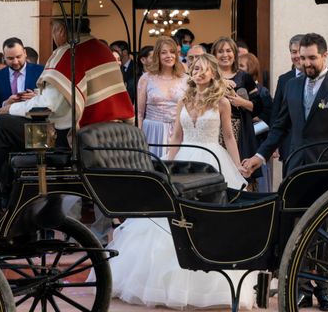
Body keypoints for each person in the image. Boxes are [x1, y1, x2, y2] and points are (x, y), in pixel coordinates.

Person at [103, 54, 255, 308]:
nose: (199, 72)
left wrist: (238, 167)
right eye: (195, 68)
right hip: (184, 158)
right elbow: (176, 135)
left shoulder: (221, 102)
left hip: (211, 160)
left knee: (208, 219)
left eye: (204, 69)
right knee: (170, 216)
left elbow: (228, 136)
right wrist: (167, 164)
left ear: (213, 74)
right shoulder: (184, 99)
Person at [0, 18, 135, 220]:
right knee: (5, 126)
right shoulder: (100, 49)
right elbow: (62, 99)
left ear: (61, 29)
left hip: (70, 138)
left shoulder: (70, 52)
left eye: (53, 29)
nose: (54, 35)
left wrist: (10, 108)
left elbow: (49, 105)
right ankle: (4, 198)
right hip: (100, 134)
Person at [242, 33, 328, 311]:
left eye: (311, 58)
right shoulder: (292, 86)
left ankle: (326, 289)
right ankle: (302, 288)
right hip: (295, 171)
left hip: (327, 173)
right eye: (302, 57)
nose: (306, 62)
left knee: (326, 234)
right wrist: (260, 156)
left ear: (325, 56)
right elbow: (280, 126)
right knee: (296, 230)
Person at [212, 37, 262, 187]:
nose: (225, 55)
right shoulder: (209, 76)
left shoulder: (244, 77)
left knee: (240, 171)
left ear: (234, 54)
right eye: (220, 51)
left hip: (240, 131)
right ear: (214, 55)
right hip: (213, 130)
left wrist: (241, 102)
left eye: (228, 51)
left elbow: (259, 107)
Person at [137, 37, 188, 158]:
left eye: (172, 52)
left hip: (178, 130)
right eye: (164, 52)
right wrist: (139, 137)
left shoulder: (186, 79)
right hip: (152, 129)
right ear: (157, 56)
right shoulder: (146, 78)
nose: (169, 56)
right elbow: (139, 113)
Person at [239, 52, 273, 191]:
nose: (238, 69)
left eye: (241, 66)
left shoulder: (261, 91)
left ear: (250, 68)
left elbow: (268, 119)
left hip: (258, 142)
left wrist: (250, 122)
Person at [270, 34, 304, 167]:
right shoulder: (284, 79)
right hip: (288, 143)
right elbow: (276, 113)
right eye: (293, 52)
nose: (296, 56)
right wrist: (274, 143)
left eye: (299, 51)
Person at [0, 38, 44, 110]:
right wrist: (6, 103)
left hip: (33, 119)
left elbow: (51, 99)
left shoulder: (41, 71)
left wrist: (37, 98)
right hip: (6, 119)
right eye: (10, 58)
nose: (15, 62)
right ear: (4, 57)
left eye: (18, 57)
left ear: (25, 53)